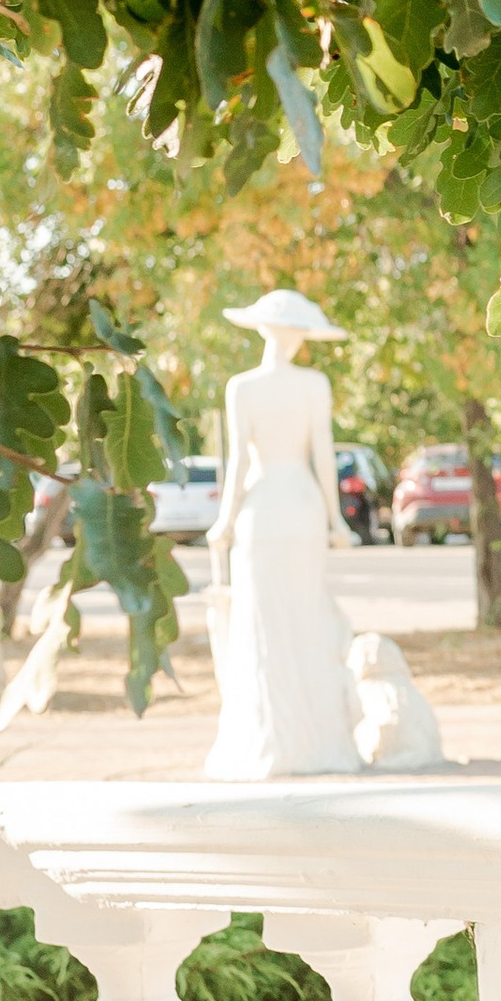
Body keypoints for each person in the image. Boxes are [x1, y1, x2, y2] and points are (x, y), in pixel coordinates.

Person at [206, 289, 364, 781]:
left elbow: (239, 462)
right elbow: (323, 455)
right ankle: (308, 741)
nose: (296, 342)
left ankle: (281, 740)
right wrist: (336, 520)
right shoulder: (311, 384)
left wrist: (226, 520)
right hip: (299, 504)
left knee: (272, 620)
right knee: (298, 615)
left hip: (266, 506)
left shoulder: (243, 387)